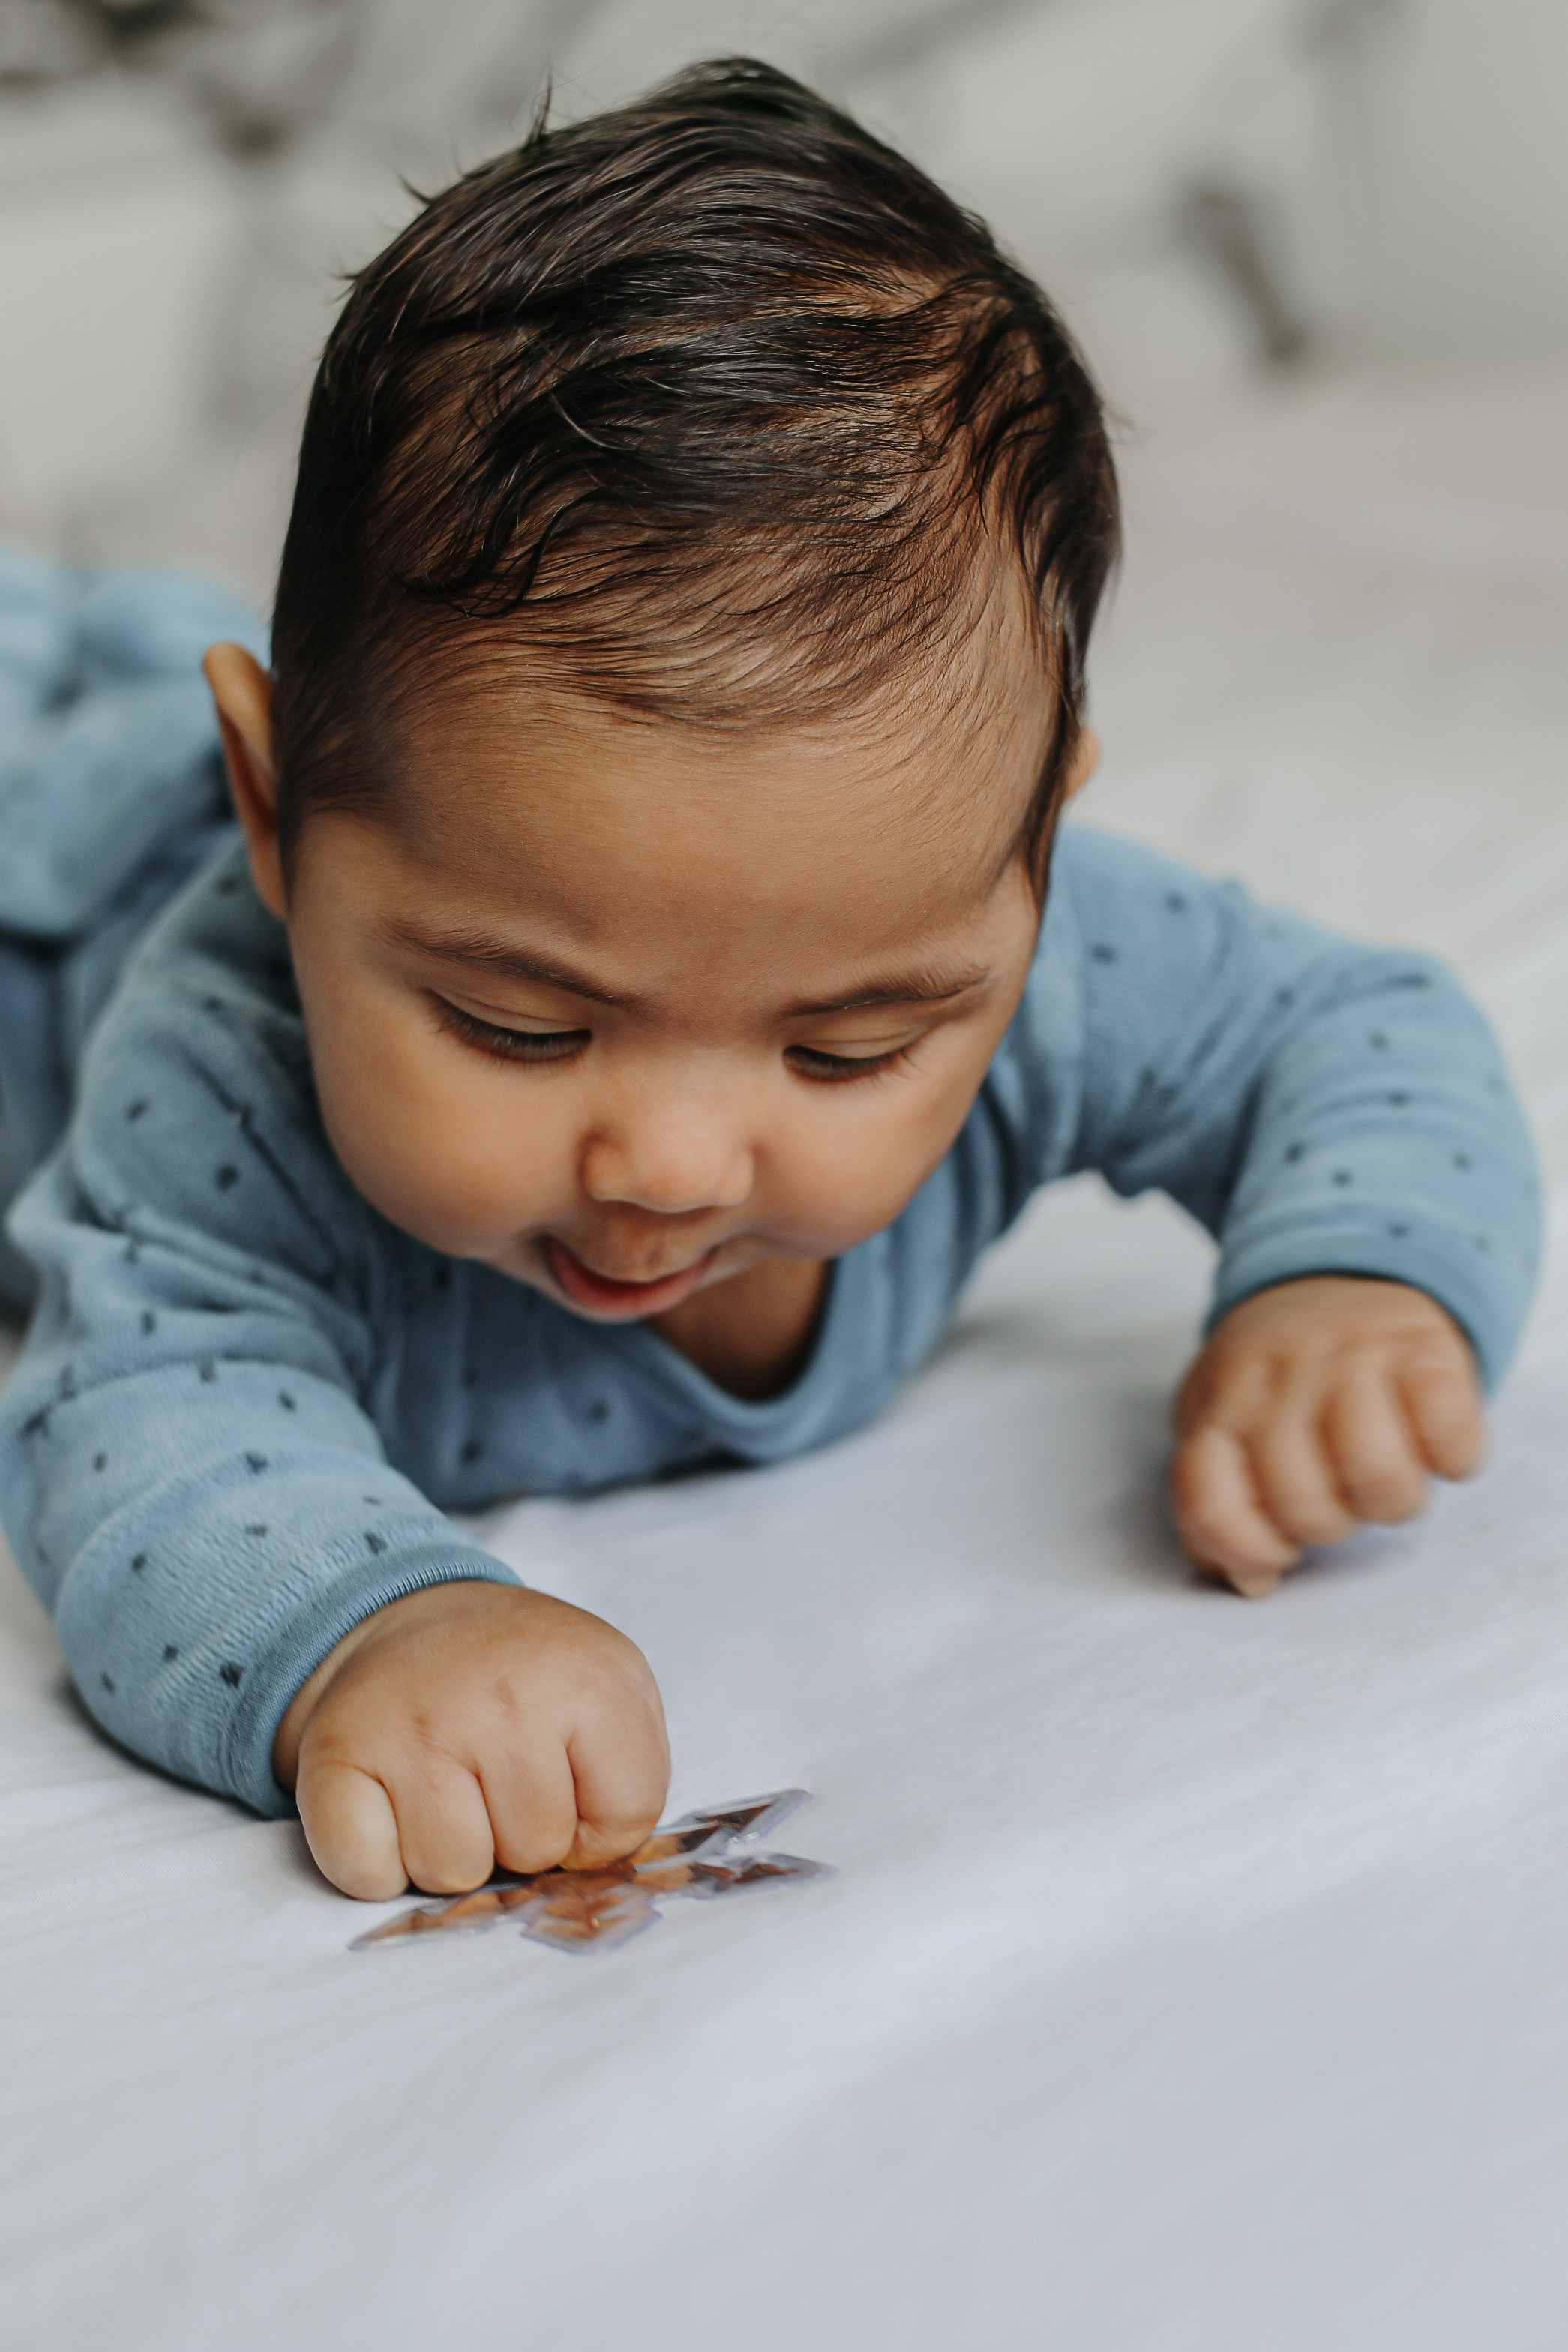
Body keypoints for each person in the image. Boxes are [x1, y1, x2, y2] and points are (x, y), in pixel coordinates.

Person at [0, 62, 1539, 1903]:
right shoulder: (226, 1064)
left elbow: (1346, 1028)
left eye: (846, 1046)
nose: (668, 1162)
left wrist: (1352, 1276)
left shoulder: (993, 939)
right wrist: (365, 1624)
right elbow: (139, 1407)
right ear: (279, 822)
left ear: (1030, 859)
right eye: (520, 1024)